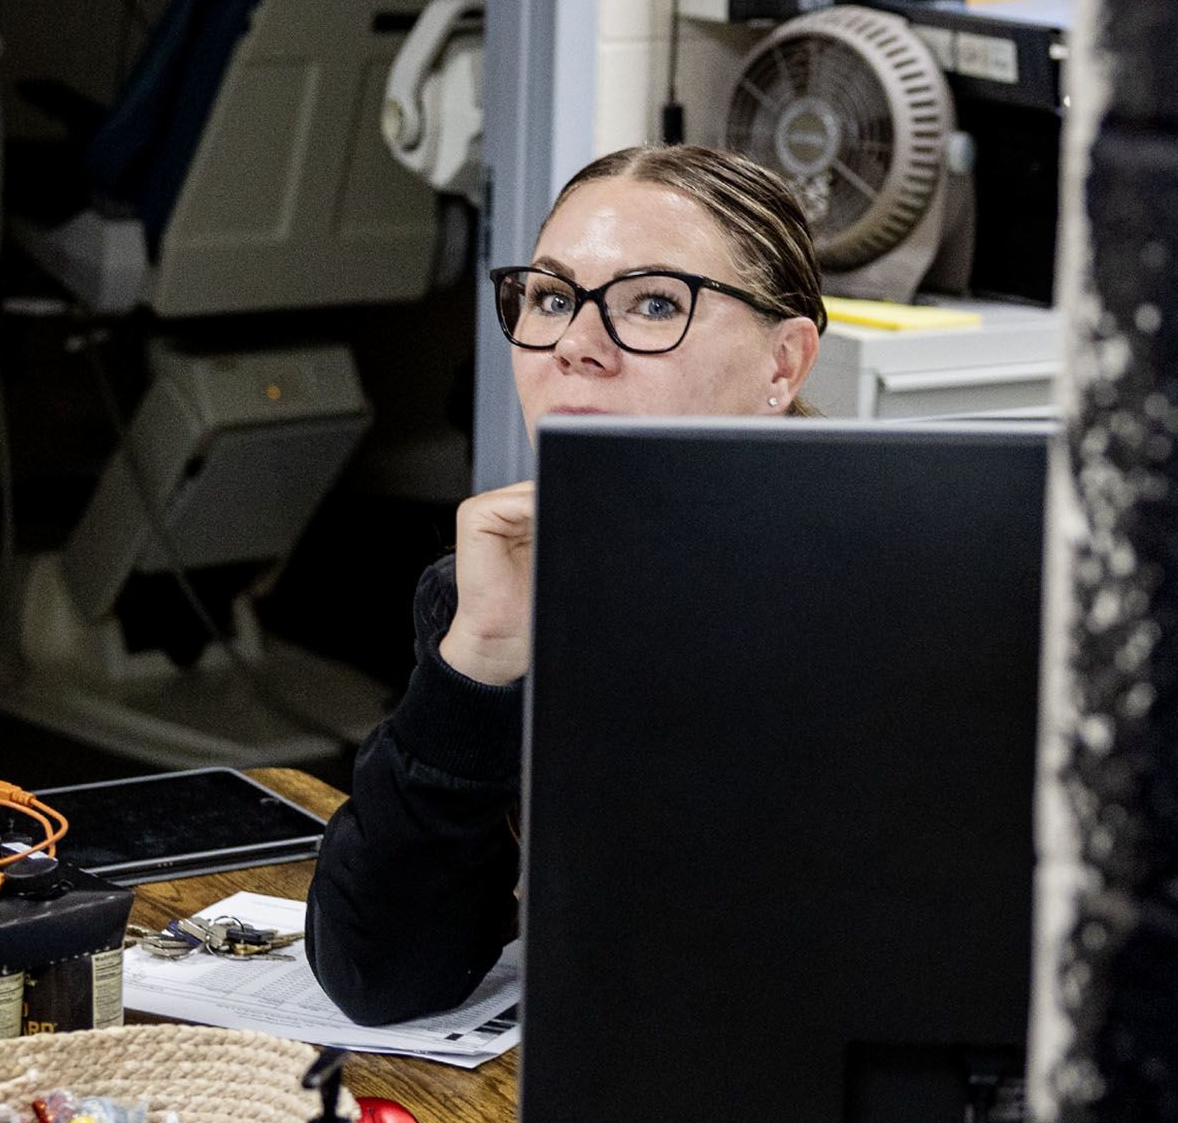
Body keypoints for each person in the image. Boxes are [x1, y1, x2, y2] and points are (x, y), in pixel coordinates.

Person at [304, 144, 826, 1024]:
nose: (577, 346)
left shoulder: (881, 592)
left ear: (782, 364)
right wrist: (478, 660)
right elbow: (380, 975)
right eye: (551, 298)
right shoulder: (498, 590)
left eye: (654, 304)